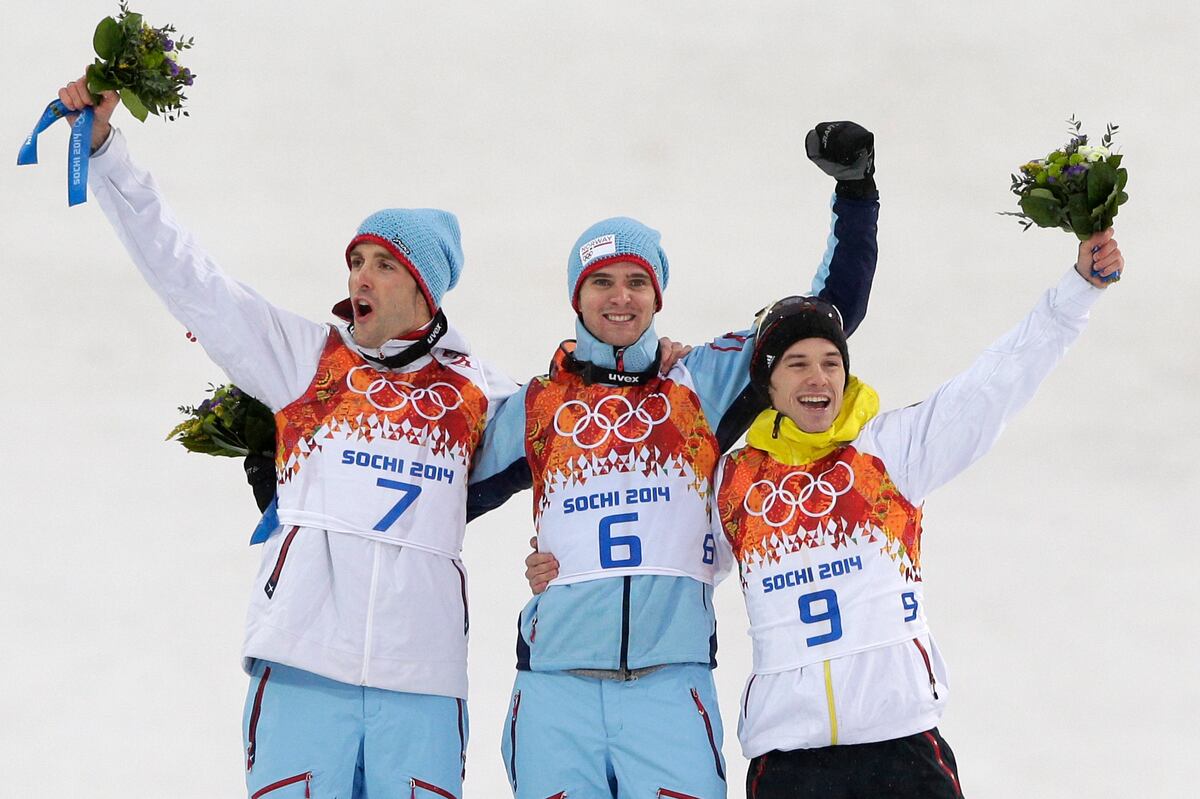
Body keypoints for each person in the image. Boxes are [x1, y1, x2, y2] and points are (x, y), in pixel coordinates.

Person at [57, 76, 517, 799]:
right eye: (356, 260)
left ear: (425, 290)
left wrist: (669, 365)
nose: (359, 275)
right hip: (302, 665)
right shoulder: (305, 359)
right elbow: (190, 278)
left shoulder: (479, 393)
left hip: (422, 681)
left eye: (383, 263)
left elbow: (585, 435)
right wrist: (109, 154)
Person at [470, 122, 881, 798]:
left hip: (670, 688)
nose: (620, 297)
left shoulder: (700, 383)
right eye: (601, 281)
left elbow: (826, 316)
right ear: (577, 296)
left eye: (637, 280)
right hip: (554, 692)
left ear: (658, 294)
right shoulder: (540, 404)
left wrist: (856, 192)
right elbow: (434, 486)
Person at [710, 230, 1123, 797]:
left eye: (831, 362)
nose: (818, 378)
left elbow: (996, 384)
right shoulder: (732, 483)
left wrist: (1076, 293)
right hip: (789, 759)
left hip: (901, 748)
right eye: (798, 364)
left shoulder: (891, 451)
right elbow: (666, 568)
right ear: (768, 384)